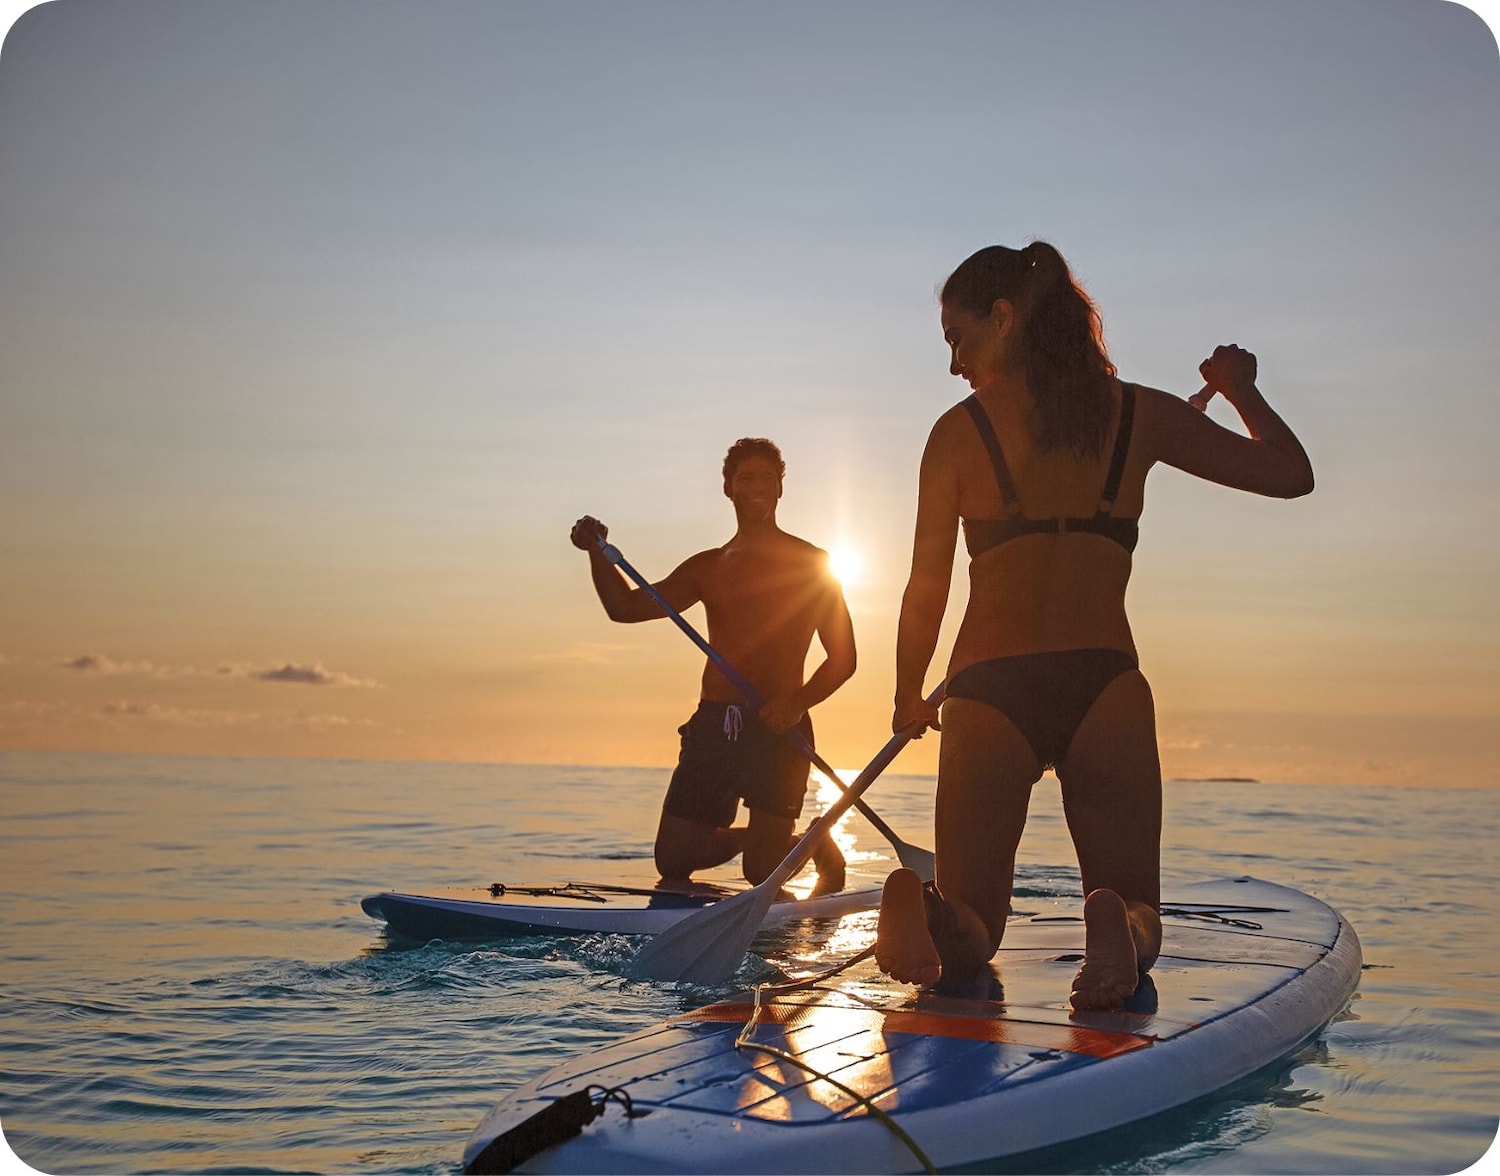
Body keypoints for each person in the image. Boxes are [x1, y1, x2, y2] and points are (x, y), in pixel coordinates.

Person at [875, 241, 1313, 1010]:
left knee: (976, 934)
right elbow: (1289, 473)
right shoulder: (1136, 412)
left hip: (985, 686)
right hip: (1100, 682)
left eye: (958, 337)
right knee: (1140, 906)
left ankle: (934, 912)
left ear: (1004, 318)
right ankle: (1119, 925)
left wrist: (910, 694)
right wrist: (1242, 390)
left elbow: (925, 587)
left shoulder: (957, 431)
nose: (953, 362)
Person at [570, 437, 856, 895]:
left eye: (767, 478)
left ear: (781, 489)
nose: (757, 486)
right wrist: (597, 552)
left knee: (762, 873)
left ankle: (808, 844)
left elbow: (843, 659)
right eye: (746, 478)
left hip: (780, 729)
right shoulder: (708, 567)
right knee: (675, 862)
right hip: (714, 727)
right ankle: (797, 840)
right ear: (728, 488)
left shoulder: (813, 564)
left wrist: (797, 703)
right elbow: (624, 607)